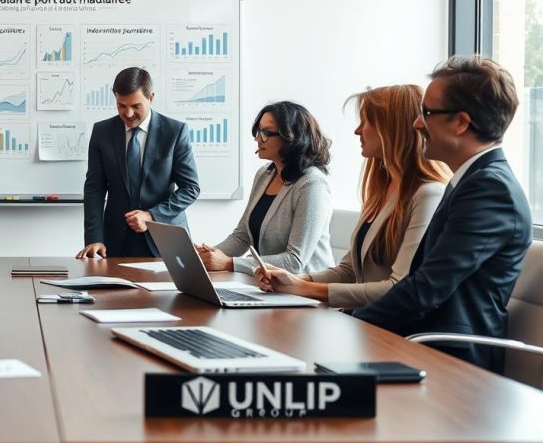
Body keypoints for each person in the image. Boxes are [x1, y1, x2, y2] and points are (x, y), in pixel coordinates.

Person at [350, 56, 532, 372]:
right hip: (424, 344)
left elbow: (428, 287)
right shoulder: (470, 179)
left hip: (452, 361)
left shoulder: (490, 188)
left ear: (461, 123)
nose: (417, 123)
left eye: (426, 113)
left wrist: (352, 326)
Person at [256, 86, 450, 307]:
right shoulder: (381, 190)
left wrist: (303, 288)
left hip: (388, 329)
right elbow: (349, 270)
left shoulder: (428, 194)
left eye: (366, 121)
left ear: (390, 128)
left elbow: (397, 286)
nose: (358, 131)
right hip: (362, 320)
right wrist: (294, 280)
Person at [196, 101, 334, 274]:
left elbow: (294, 261)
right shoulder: (265, 174)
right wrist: (206, 256)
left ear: (292, 138)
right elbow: (242, 236)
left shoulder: (312, 184)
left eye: (266, 133)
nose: (257, 138)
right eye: (258, 131)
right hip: (269, 286)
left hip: (306, 289)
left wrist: (229, 263)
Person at [77, 67, 200, 258]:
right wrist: (94, 237)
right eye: (121, 106)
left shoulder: (175, 132)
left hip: (165, 238)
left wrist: (151, 216)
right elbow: (94, 188)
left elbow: (191, 188)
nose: (128, 113)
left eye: (136, 106)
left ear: (151, 97)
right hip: (115, 242)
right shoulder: (102, 132)